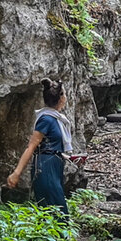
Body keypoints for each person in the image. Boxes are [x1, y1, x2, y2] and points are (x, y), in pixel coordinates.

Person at [7, 78, 71, 214]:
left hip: (54, 165)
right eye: (64, 94)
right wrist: (17, 173)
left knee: (55, 208)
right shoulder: (46, 119)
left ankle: (52, 235)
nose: (66, 97)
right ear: (61, 98)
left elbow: (50, 147)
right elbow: (31, 146)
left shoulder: (56, 119)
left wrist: (67, 156)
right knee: (57, 210)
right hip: (44, 167)